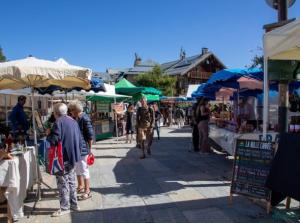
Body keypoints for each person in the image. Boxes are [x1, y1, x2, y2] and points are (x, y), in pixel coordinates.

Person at [48, 103, 82, 217]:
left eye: (53, 112)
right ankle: (74, 204)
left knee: (62, 183)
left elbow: (54, 140)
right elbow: (79, 138)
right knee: (71, 181)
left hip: (62, 158)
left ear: (56, 113)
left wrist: (49, 135)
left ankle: (64, 207)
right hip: (73, 156)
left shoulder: (58, 122)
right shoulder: (73, 121)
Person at [68, 100, 94, 201]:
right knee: (78, 168)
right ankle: (80, 186)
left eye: (71, 110)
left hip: (83, 148)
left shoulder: (84, 118)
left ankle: (87, 191)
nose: (70, 112)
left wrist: (90, 150)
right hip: (78, 148)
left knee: (84, 170)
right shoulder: (77, 118)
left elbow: (90, 135)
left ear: (75, 110)